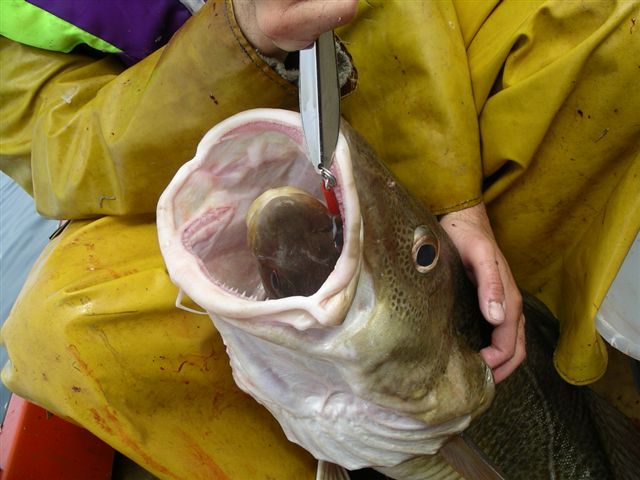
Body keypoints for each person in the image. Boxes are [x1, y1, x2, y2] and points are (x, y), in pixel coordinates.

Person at [0, 0, 637, 477]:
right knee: (60, 327)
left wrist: (451, 198)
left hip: (402, 90)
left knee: (611, 25)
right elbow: (65, 152)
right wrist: (241, 38)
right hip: (215, 160)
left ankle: (583, 370)